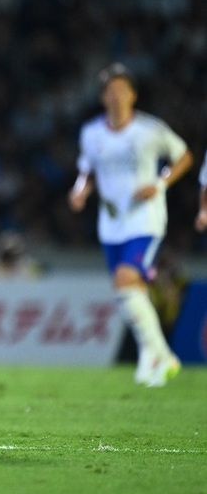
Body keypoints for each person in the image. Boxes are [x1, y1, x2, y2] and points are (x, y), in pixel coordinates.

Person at [68, 62, 192, 388]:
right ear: (102, 96)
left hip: (145, 219)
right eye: (110, 89)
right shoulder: (91, 133)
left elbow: (183, 156)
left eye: (122, 88)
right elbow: (87, 171)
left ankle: (158, 355)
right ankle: (156, 355)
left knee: (125, 279)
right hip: (111, 223)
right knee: (130, 291)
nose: (116, 95)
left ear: (133, 94)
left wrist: (161, 183)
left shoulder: (150, 130)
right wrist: (80, 191)